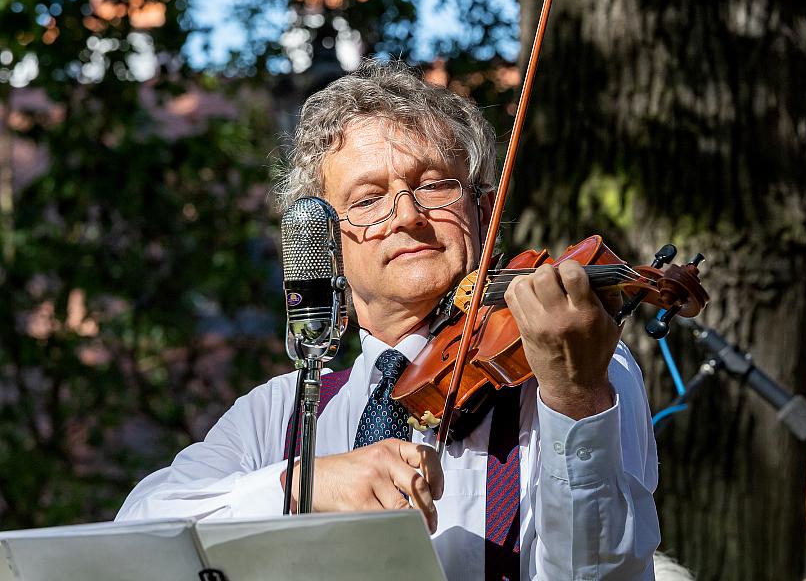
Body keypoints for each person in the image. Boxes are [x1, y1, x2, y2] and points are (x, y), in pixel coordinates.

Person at [117, 59, 661, 580]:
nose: (406, 215)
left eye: (433, 185)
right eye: (369, 198)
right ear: (327, 245)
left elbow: (602, 576)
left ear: (484, 208)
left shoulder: (569, 365)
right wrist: (299, 487)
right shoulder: (280, 413)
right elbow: (135, 539)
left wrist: (576, 398)